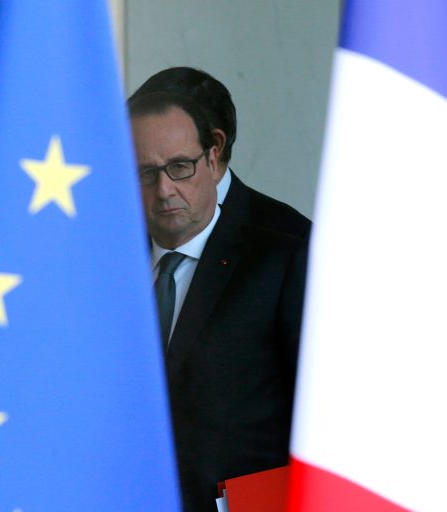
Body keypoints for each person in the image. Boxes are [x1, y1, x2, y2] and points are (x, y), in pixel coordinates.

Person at [128, 92, 307, 511]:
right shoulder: (105, 272)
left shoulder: (282, 263)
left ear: (213, 160)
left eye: (179, 167)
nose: (164, 188)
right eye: (145, 173)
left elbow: (319, 419)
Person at [130, 66, 311, 240]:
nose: (163, 191)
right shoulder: (123, 228)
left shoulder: (295, 239)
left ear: (215, 145)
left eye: (178, 165)